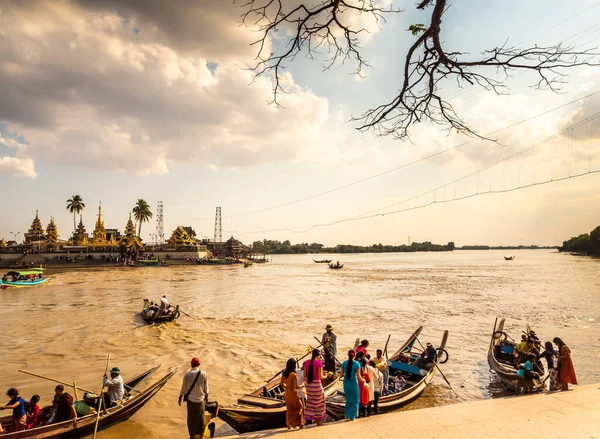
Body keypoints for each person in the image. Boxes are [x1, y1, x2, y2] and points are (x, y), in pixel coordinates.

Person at [179, 357, 209, 439]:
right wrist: (206, 397)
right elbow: (206, 388)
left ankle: (192, 436)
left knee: (191, 420)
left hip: (191, 401)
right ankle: (202, 436)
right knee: (201, 418)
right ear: (199, 364)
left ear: (191, 364)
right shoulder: (203, 374)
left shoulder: (187, 374)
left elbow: (184, 388)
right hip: (200, 400)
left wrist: (180, 397)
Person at [302, 349, 328, 426]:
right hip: (317, 386)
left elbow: (304, 375)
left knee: (310, 402)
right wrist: (326, 375)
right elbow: (321, 376)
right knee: (320, 403)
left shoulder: (306, 362)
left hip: (309, 386)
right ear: (318, 355)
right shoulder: (319, 363)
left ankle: (307, 419)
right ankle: (319, 422)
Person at [340, 350, 365, 420]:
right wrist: (364, 380)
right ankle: (352, 416)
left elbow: (341, 375)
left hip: (346, 384)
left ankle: (347, 415)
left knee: (348, 400)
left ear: (348, 355)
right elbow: (359, 377)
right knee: (355, 400)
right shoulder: (357, 364)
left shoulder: (344, 363)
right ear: (354, 356)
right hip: (353, 383)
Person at [280, 358, 304, 430]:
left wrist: (287, 387)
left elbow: (282, 384)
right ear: (294, 366)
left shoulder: (284, 373)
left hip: (287, 393)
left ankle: (289, 424)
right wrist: (302, 385)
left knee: (289, 409)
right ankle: (295, 423)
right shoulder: (293, 374)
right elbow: (296, 387)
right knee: (299, 407)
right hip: (293, 393)